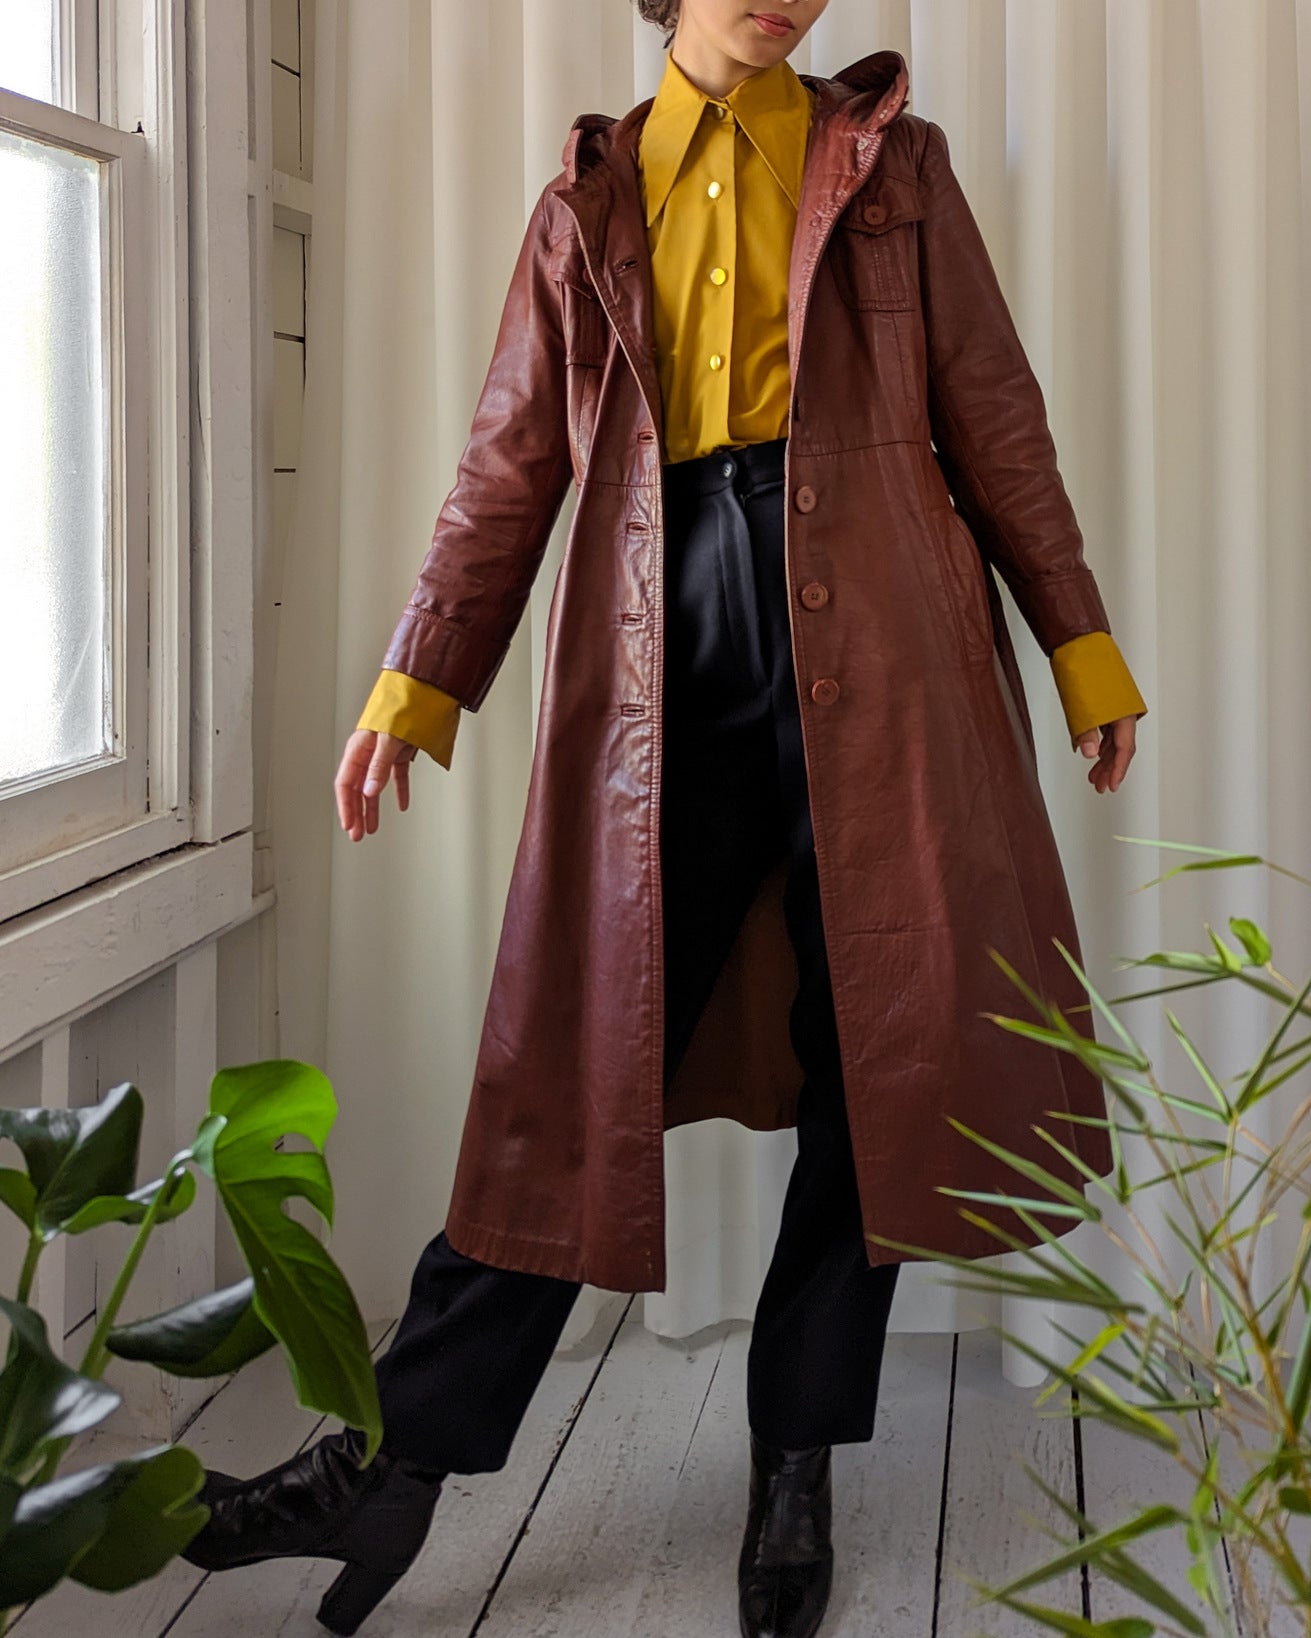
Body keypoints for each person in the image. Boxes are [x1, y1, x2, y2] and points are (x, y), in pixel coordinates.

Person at [183, 2, 1148, 1635]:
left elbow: (995, 415)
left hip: (893, 641)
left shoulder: (895, 167)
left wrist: (1079, 642)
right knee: (573, 1063)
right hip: (661, 641)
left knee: (876, 1063)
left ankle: (795, 1460)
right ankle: (391, 1464)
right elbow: (512, 463)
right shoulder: (588, 199)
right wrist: (415, 679)